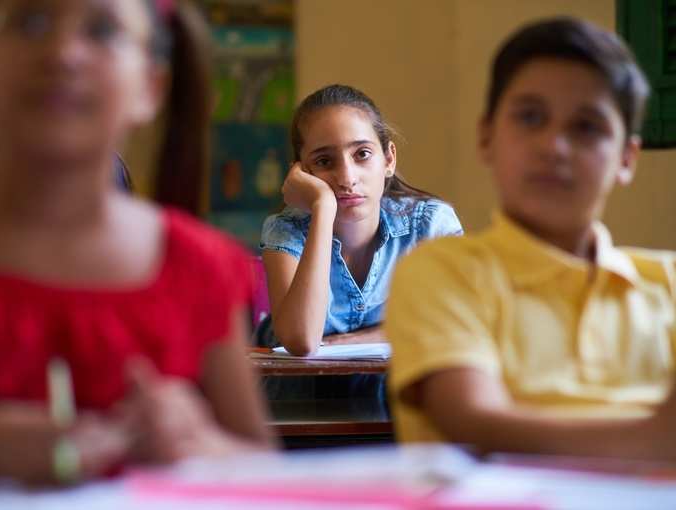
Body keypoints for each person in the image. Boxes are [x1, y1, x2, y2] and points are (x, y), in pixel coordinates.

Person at [0, 0, 272, 485]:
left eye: (101, 30)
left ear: (150, 87)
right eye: (31, 22)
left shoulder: (198, 265)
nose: (61, 52)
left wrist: (199, 443)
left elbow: (262, 468)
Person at [385, 17, 676, 461]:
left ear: (625, 158)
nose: (554, 145)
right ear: (486, 137)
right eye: (530, 117)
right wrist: (650, 439)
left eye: (586, 127)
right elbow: (472, 422)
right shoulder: (443, 271)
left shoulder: (668, 284)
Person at [258, 84, 462, 401]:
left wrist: (343, 342)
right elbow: (302, 341)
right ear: (301, 172)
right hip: (298, 412)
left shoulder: (431, 225)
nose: (347, 177)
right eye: (324, 161)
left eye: (362, 154)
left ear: (389, 159)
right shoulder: (285, 231)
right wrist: (322, 206)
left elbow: (449, 326)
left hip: (394, 408)